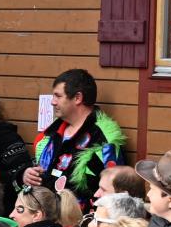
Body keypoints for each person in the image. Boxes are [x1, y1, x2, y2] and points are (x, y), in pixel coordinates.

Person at [25, 69, 126, 204]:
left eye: (58, 96)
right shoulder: (51, 133)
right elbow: (40, 172)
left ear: (78, 98)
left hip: (80, 221)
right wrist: (26, 175)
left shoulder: (103, 138)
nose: (52, 102)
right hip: (42, 213)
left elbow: (114, 192)